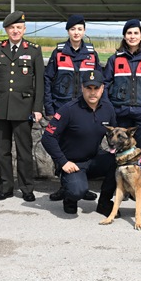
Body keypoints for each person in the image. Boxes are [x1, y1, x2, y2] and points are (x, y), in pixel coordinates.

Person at [0, 10, 45, 202]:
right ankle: (6, 187)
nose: (15, 31)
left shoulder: (34, 50)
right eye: (12, 28)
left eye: (19, 28)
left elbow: (40, 83)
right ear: (6, 30)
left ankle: (26, 188)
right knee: (3, 151)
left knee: (24, 151)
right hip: (0, 107)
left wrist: (37, 108)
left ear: (24, 29)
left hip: (23, 108)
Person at [41, 71, 118, 216]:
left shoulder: (108, 108)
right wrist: (63, 162)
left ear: (103, 88)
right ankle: (69, 196)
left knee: (118, 162)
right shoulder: (69, 109)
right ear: (82, 88)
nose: (92, 93)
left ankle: (104, 203)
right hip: (72, 163)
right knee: (77, 191)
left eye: (96, 88)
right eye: (89, 88)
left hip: (94, 158)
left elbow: (113, 135)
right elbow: (47, 138)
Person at [44, 13, 101, 202]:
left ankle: (81, 186)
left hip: (85, 108)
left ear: (84, 31)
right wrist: (49, 107)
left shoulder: (92, 54)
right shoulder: (58, 52)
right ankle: (65, 186)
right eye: (73, 29)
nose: (76, 32)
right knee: (62, 147)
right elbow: (47, 79)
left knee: (83, 147)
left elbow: (100, 82)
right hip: (62, 106)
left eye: (80, 29)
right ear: (68, 31)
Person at [103, 19, 141, 156]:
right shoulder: (115, 59)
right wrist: (108, 109)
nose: (132, 36)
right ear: (124, 36)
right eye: (129, 33)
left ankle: (140, 178)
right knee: (118, 151)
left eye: (136, 33)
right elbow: (105, 86)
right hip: (120, 113)